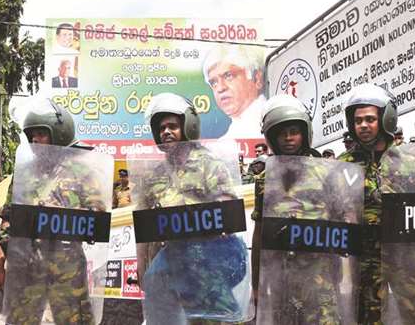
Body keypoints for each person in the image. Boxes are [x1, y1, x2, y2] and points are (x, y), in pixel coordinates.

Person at [134, 92, 250, 324]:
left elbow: (227, 213)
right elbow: (144, 226)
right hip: (169, 264)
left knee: (213, 320)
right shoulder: (153, 177)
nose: (165, 132)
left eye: (172, 126)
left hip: (208, 261)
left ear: (188, 126)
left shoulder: (209, 164)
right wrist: (141, 267)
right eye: (161, 128)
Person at [0, 99, 106, 324]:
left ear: (59, 134)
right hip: (27, 263)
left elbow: (98, 222)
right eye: (31, 135)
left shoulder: (81, 171)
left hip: (67, 265)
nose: (35, 140)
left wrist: (67, 214)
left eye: (41, 134)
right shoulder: (24, 173)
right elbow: (8, 218)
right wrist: (0, 264)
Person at [252, 95, 355, 324]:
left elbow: (339, 228)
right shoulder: (264, 179)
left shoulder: (326, 172)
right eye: (281, 133)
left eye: (294, 131)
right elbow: (259, 234)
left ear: (305, 133)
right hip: (281, 280)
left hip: (319, 278)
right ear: (272, 137)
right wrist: (257, 286)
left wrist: (338, 278)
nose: (288, 138)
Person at [338, 83, 415, 324]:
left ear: (386, 120)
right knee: (369, 318)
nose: (362, 125)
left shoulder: (409, 161)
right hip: (366, 258)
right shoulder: (344, 164)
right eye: (358, 120)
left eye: (370, 119)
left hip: (407, 254)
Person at [203, 46, 266, 140]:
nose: (220, 88)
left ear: (257, 79)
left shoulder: (271, 123)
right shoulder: (225, 140)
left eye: (228, 76)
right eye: (214, 82)